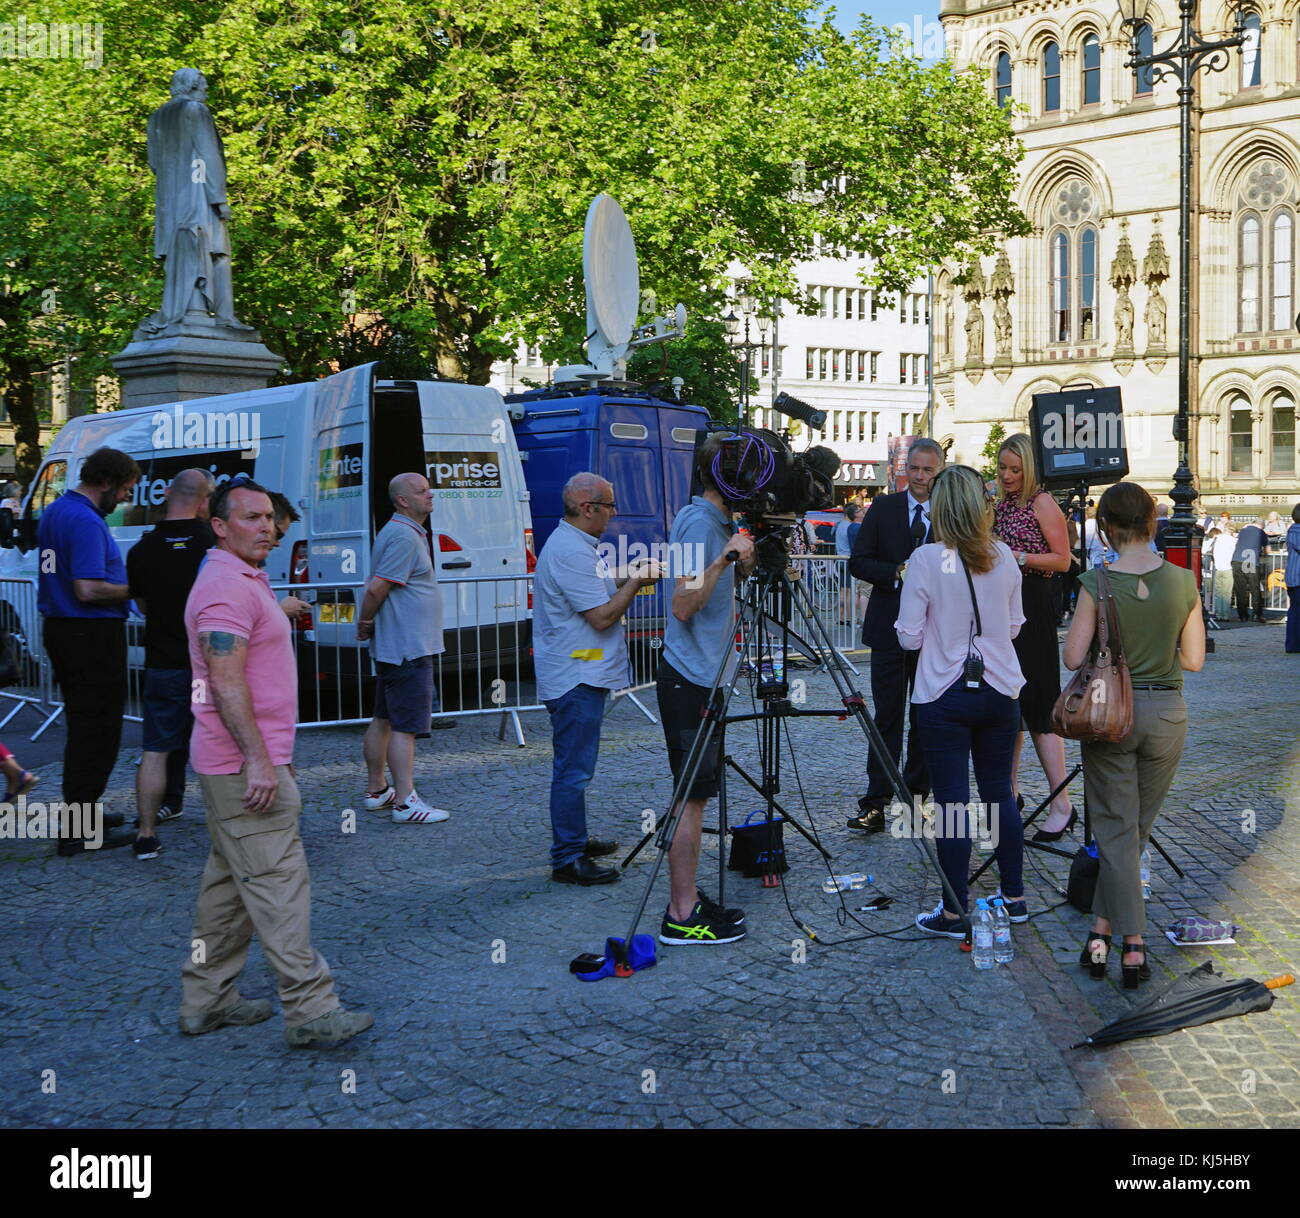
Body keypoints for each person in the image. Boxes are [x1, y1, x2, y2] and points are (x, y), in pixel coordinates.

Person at [180, 477, 373, 1047]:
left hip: (239, 763)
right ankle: (312, 1009)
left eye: (269, 517)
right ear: (219, 526)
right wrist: (261, 764)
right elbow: (223, 677)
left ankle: (205, 1000)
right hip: (244, 768)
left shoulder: (241, 578)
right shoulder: (223, 586)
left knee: (228, 890)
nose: (266, 526)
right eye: (250, 518)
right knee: (280, 888)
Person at [1064, 481, 1204, 988]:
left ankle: (1131, 942)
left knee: (1118, 831)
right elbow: (1194, 659)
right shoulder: (1184, 580)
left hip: (1110, 715)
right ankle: (1100, 933)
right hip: (1167, 714)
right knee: (1133, 831)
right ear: (1152, 522)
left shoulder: (1096, 582)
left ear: (1105, 527)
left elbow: (1073, 658)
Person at [895, 465, 1027, 936]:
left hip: (943, 692)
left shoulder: (927, 559)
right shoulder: (1006, 555)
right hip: (998, 689)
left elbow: (909, 639)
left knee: (952, 802)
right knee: (1000, 795)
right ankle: (1014, 897)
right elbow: (1014, 626)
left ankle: (954, 911)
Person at [533, 472, 661, 884]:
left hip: (579, 670)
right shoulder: (571, 551)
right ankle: (567, 858)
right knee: (573, 770)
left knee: (576, 766)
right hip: (575, 675)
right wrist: (638, 580)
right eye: (609, 505)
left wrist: (628, 575)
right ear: (587, 508)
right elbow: (603, 616)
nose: (614, 512)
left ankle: (574, 838)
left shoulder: (578, 546)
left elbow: (599, 589)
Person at [656, 436, 755, 944]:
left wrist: (743, 557)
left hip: (706, 676)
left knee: (697, 794)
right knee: (689, 799)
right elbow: (682, 604)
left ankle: (690, 896)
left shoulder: (717, 522)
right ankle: (680, 914)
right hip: (688, 677)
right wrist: (722, 560)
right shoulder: (699, 524)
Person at [37, 447, 140, 856]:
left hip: (65, 630)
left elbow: (53, 575)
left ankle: (84, 815)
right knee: (96, 734)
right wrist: (143, 588)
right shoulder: (83, 521)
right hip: (89, 634)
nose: (127, 497)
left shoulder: (57, 511)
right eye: (126, 488)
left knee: (86, 729)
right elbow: (88, 588)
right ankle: (78, 831)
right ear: (106, 482)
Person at [846, 438, 944, 831]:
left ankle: (917, 800)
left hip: (935, 631)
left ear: (940, 470)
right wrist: (895, 573)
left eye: (928, 470)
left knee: (925, 716)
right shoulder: (884, 507)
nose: (920, 478)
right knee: (887, 716)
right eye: (915, 469)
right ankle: (876, 801)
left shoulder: (949, 511)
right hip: (888, 628)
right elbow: (859, 562)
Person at [126, 468, 215, 860]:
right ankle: (232, 827)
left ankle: (146, 834)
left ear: (167, 495)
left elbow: (143, 606)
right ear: (204, 500)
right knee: (219, 743)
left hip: (164, 662)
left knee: (157, 748)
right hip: (209, 665)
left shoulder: (141, 550)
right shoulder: (216, 543)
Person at [355, 473, 451, 824]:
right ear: (403, 500)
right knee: (404, 727)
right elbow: (376, 589)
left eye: (429, 489)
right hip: (408, 646)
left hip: (399, 644)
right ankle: (405, 802)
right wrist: (364, 623)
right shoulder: (403, 537)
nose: (431, 494)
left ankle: (378, 790)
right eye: (421, 491)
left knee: (383, 718)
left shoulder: (402, 532)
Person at [992, 433, 1074, 841]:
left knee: (1040, 703)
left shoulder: (1041, 502)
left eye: (1014, 469)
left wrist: (1017, 557)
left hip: (1034, 602)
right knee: (1009, 702)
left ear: (1029, 469)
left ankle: (1062, 803)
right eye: (1002, 467)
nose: (1006, 475)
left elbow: (1062, 559)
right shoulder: (1001, 503)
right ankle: (1010, 794)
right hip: (1003, 604)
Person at [1231, 516, 1268, 623]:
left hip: (1236, 560)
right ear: (1262, 526)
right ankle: (1257, 614)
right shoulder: (1261, 532)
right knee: (1254, 589)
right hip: (1250, 561)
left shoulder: (1242, 530)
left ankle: (1242, 615)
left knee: (1240, 590)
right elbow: (1268, 550)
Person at [835, 503, 859, 623]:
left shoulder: (839, 525)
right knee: (850, 590)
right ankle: (849, 617)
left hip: (839, 559)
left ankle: (840, 616)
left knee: (843, 590)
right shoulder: (850, 527)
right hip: (848, 559)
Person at [1285, 504, 1300, 653]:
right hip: (1297, 578)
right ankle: (1293, 645)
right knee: (1296, 611)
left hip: (1295, 577)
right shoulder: (1296, 530)